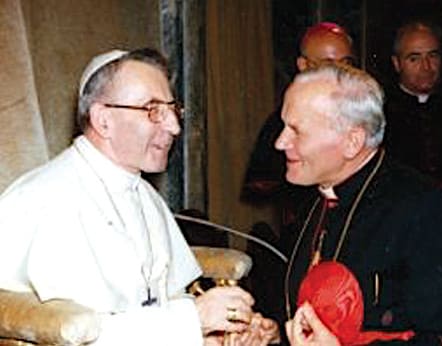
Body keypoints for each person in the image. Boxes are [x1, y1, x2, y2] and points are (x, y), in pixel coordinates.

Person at [0, 48, 277, 345]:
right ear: (103, 119)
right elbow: (76, 333)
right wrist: (193, 319)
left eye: (173, 109)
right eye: (153, 110)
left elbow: (155, 307)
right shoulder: (45, 199)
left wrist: (217, 337)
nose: (174, 126)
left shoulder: (144, 194)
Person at [274, 63, 442, 345]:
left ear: (352, 142)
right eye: (283, 126)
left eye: (296, 131)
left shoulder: (424, 209)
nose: (280, 142)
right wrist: (272, 333)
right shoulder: (311, 197)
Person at [242, 22, 355, 226]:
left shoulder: (363, 114)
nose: (340, 73)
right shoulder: (283, 123)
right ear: (303, 66)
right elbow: (262, 184)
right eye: (329, 64)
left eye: (346, 63)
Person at [384, 18, 442, 184]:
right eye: (414, 58)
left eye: (432, 56)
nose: (426, 67)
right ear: (397, 63)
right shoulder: (381, 109)